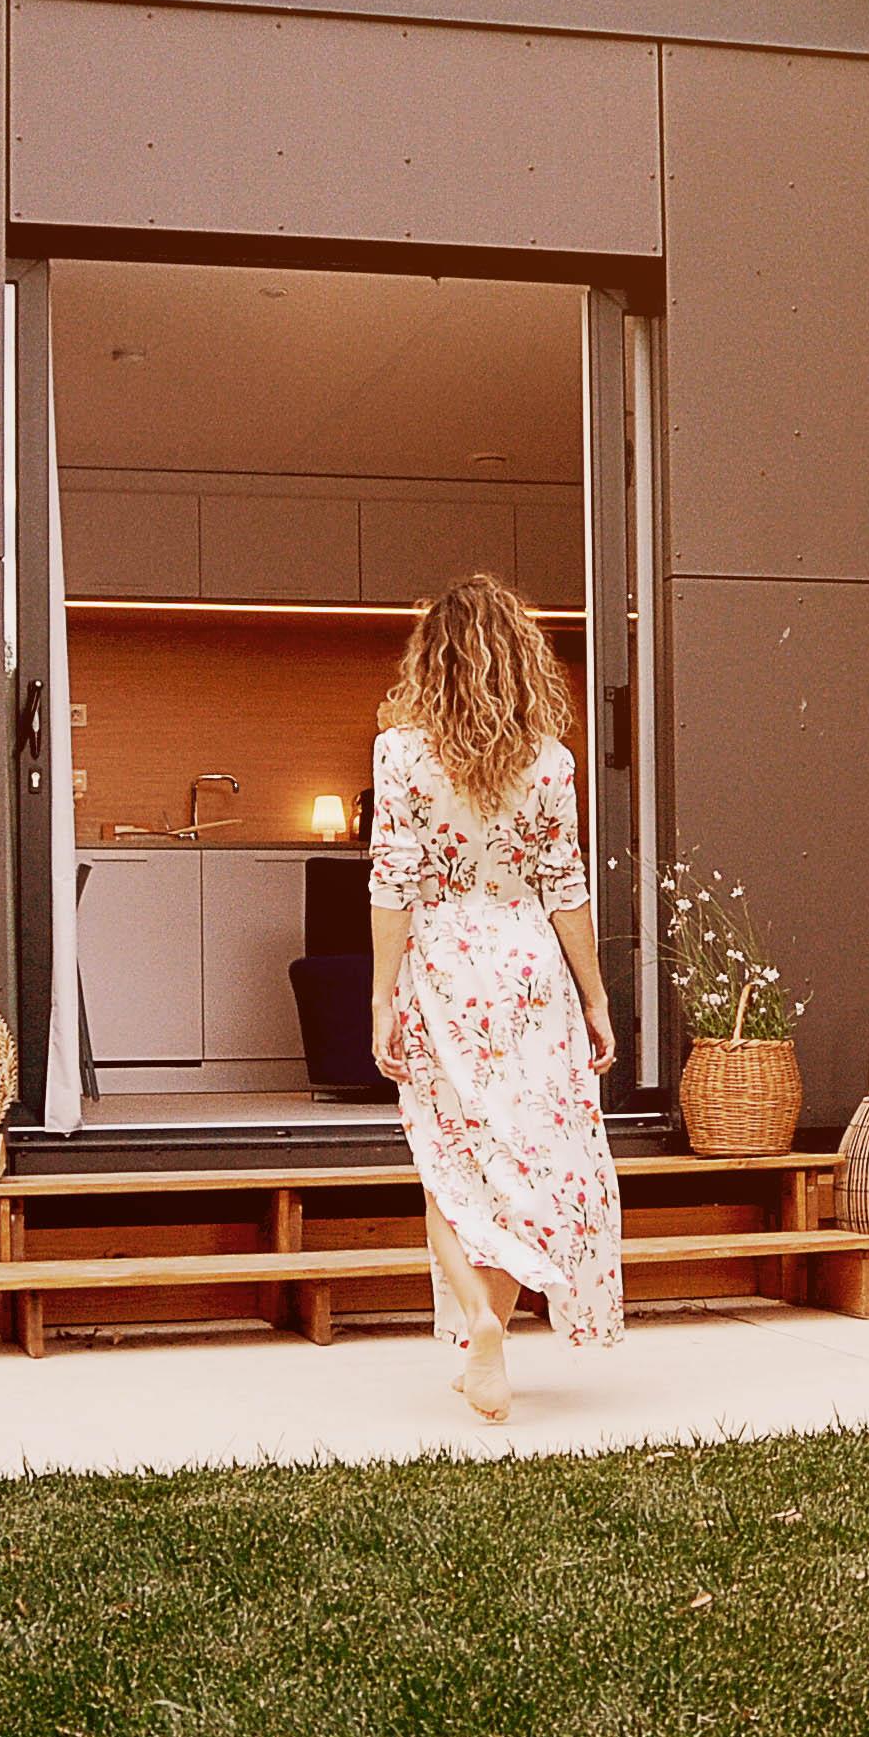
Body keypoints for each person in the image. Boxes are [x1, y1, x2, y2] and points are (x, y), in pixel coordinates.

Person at [366, 573, 624, 1420]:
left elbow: (394, 881)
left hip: (443, 964)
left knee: (448, 1164)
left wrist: (379, 999)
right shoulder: (551, 762)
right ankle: (493, 1340)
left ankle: (480, 1322)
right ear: (521, 662)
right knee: (524, 1163)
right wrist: (594, 998)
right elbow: (564, 886)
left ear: (429, 664)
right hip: (527, 967)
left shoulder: (400, 752)